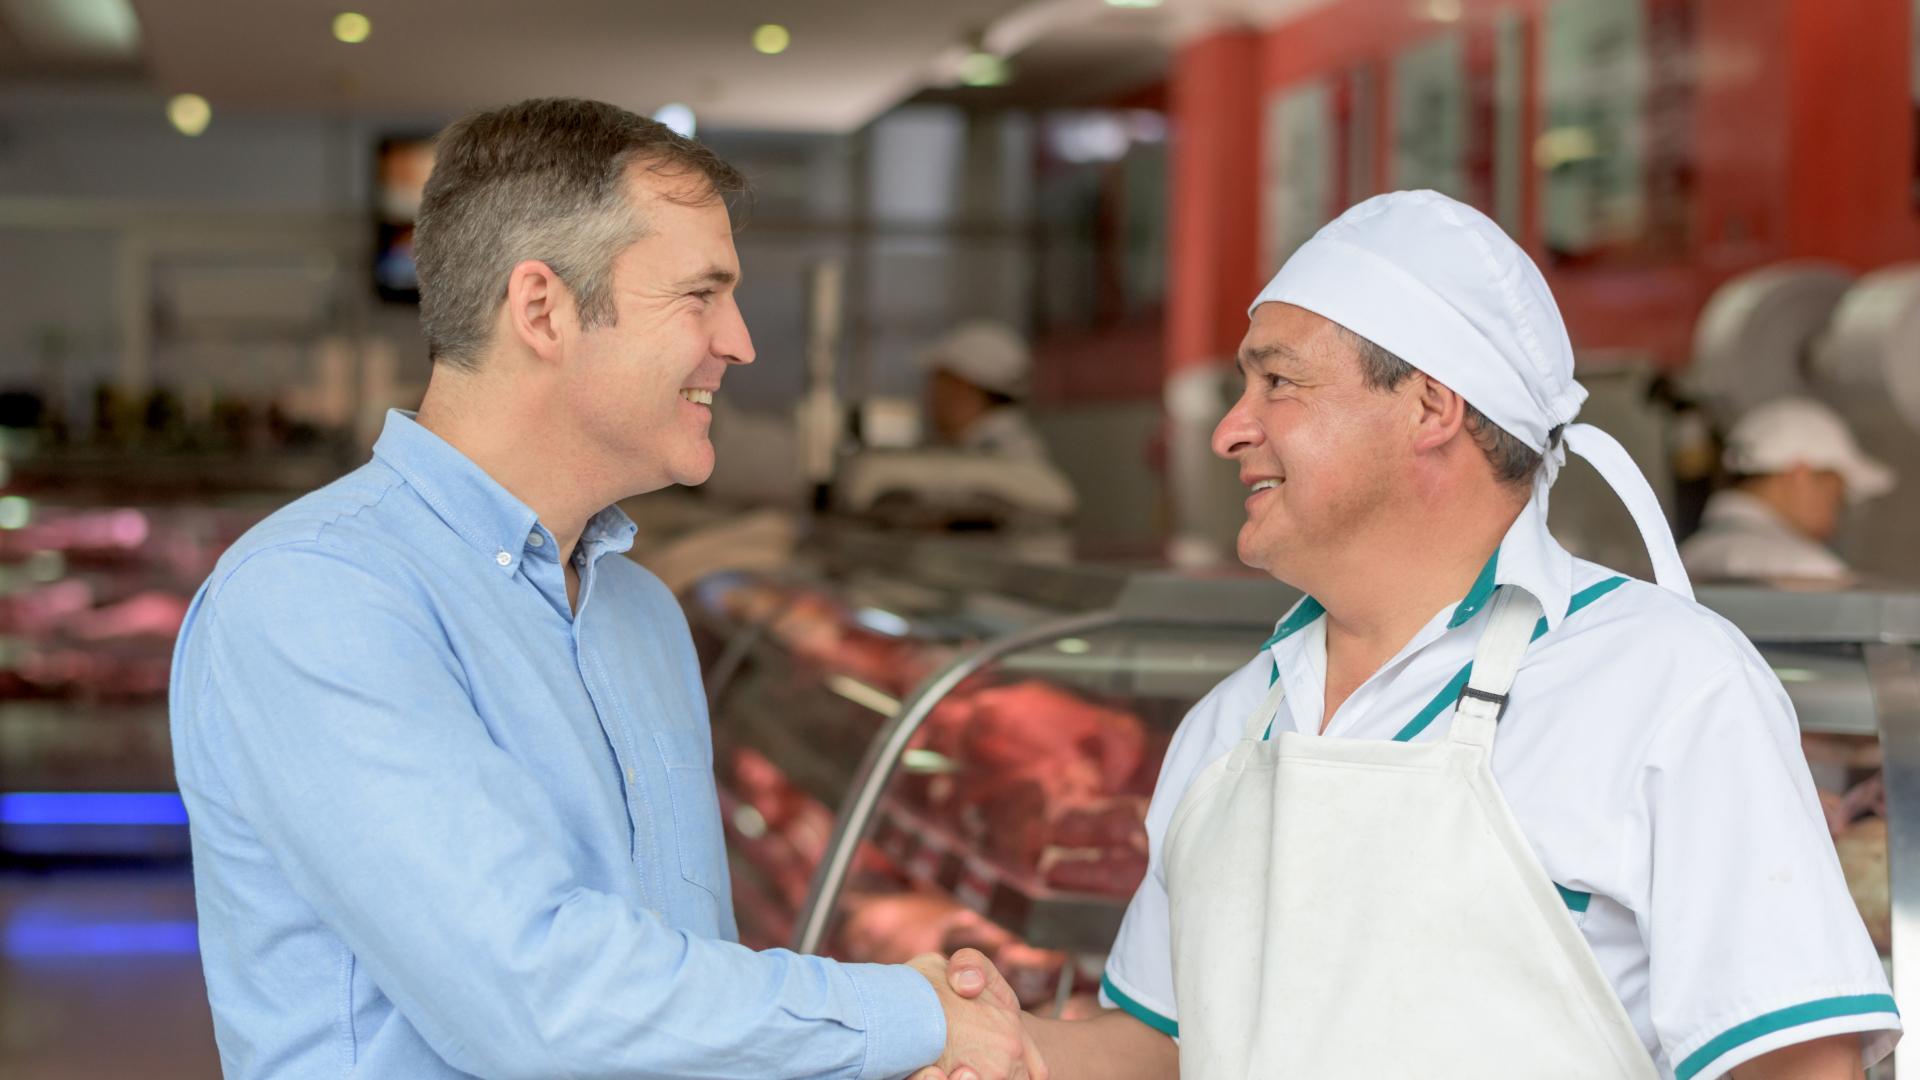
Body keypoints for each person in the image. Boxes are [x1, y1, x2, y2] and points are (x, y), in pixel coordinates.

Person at [169, 98, 1039, 1080]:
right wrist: (907, 1017)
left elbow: (668, 1001)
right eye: (700, 296)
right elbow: (533, 999)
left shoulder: (641, 615)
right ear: (543, 309)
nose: (741, 343)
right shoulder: (317, 595)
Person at [937, 192, 1899, 1078]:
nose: (1231, 429)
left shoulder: (1666, 683)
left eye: (1279, 382)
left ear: (1432, 406)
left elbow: (1796, 1064)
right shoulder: (1235, 725)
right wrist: (1014, 1050)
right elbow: (1166, 1041)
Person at [1680, 396, 1895, 585]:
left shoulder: (1681, 558)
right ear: (1800, 476)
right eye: (1838, 496)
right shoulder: (1812, 573)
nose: (1835, 522)